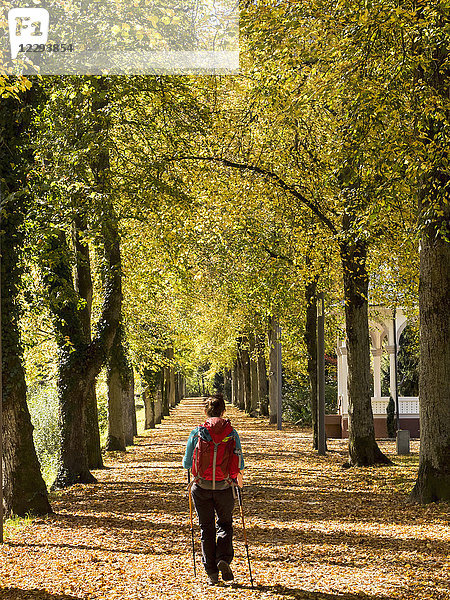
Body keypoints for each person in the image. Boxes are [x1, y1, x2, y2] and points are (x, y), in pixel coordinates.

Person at [183, 395, 244, 585]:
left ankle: (211, 573)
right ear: (223, 411)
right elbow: (240, 462)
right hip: (225, 487)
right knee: (225, 525)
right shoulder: (232, 433)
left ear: (205, 411)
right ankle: (223, 559)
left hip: (201, 487)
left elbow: (186, 463)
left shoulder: (197, 432)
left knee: (206, 529)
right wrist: (238, 483)